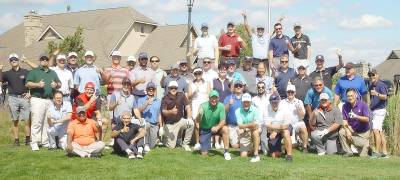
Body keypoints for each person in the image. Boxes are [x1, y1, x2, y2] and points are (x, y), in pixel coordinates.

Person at [26, 53, 61, 151]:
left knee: (47, 122)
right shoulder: (34, 71)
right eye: (42, 59)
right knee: (37, 121)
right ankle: (34, 143)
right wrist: (37, 84)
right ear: (39, 61)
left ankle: (45, 142)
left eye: (46, 59)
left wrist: (56, 85)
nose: (44, 61)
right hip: (37, 99)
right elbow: (28, 83)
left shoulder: (52, 72)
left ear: (48, 61)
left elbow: (59, 83)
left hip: (49, 100)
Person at [0, 53, 31, 146]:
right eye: (12, 60)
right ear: (10, 62)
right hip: (13, 98)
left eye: (15, 60)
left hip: (24, 98)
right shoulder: (7, 73)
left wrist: (30, 93)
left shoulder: (26, 72)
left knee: (27, 120)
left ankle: (28, 140)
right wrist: (0, 69)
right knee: (15, 120)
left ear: (18, 61)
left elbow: (32, 82)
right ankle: (16, 140)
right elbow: (0, 80)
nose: (14, 61)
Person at [195, 90, 231, 160]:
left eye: (216, 98)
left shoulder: (221, 106)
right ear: (209, 98)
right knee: (204, 154)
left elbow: (223, 121)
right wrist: (199, 115)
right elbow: (197, 121)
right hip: (205, 129)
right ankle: (203, 146)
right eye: (212, 98)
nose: (214, 100)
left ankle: (226, 152)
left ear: (218, 98)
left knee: (225, 129)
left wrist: (217, 127)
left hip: (216, 127)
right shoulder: (203, 106)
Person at [161, 81, 194, 151]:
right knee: (171, 146)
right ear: (169, 89)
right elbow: (163, 112)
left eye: (175, 88)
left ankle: (185, 144)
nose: (173, 89)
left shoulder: (181, 95)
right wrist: (171, 112)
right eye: (171, 88)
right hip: (170, 124)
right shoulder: (165, 98)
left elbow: (188, 106)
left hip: (179, 120)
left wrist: (189, 118)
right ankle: (164, 138)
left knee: (191, 123)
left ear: (177, 88)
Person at [339, 88, 370, 157]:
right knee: (342, 132)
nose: (350, 98)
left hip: (363, 133)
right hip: (352, 130)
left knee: (362, 156)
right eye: (348, 96)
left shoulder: (363, 104)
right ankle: (348, 152)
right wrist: (347, 130)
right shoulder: (345, 106)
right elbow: (344, 120)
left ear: (355, 95)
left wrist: (356, 116)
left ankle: (366, 144)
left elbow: (367, 119)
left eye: (352, 95)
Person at [264, 93, 293, 161]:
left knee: (286, 132)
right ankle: (283, 147)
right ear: (270, 102)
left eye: (276, 102)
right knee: (274, 155)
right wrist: (274, 130)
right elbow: (268, 125)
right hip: (272, 130)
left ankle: (289, 155)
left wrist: (276, 131)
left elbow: (285, 125)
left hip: (285, 128)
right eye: (272, 102)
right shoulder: (266, 109)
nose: (274, 104)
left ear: (279, 101)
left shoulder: (285, 107)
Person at [134, 82, 162, 151]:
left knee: (152, 146)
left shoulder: (158, 101)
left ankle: (149, 143)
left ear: (155, 90)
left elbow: (159, 114)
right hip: (145, 123)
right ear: (146, 90)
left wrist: (161, 126)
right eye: (149, 89)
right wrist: (146, 103)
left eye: (152, 89)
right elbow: (138, 110)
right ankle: (145, 144)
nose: (151, 90)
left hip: (155, 124)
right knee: (147, 125)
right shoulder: (141, 99)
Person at [368, 69, 389, 158]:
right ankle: (384, 152)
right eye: (370, 75)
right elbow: (370, 97)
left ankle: (377, 152)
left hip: (380, 110)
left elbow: (385, 97)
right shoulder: (371, 85)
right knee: (379, 132)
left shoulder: (381, 84)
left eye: (373, 75)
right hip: (374, 110)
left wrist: (376, 94)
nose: (372, 77)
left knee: (375, 130)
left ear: (377, 75)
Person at [188, 67, 210, 150]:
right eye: (196, 73)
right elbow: (189, 96)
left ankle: (205, 141)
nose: (198, 75)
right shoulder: (191, 83)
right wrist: (194, 92)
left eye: (199, 73)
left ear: (202, 74)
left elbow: (209, 94)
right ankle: (197, 143)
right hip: (195, 104)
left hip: (205, 104)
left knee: (205, 124)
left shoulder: (207, 83)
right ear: (194, 75)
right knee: (197, 124)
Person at [280, 84, 308, 152]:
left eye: (292, 92)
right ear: (286, 92)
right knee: (289, 145)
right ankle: (290, 145)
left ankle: (305, 147)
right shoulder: (282, 102)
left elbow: (302, 116)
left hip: (297, 123)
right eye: (288, 92)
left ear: (295, 93)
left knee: (303, 127)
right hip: (286, 124)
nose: (290, 93)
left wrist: (299, 110)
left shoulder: (299, 102)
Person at [236, 93, 262, 162]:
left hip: (253, 130)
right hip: (246, 131)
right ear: (242, 102)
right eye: (244, 102)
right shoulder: (238, 111)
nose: (246, 104)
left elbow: (256, 125)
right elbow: (240, 126)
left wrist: (245, 128)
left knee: (255, 132)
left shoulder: (256, 109)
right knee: (243, 155)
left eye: (248, 102)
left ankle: (256, 155)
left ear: (251, 102)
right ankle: (252, 149)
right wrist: (250, 125)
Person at [223, 80, 244, 148]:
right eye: (236, 86)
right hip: (232, 125)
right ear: (234, 87)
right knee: (234, 146)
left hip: (242, 126)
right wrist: (229, 104)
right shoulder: (228, 98)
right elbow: (224, 111)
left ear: (242, 87)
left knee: (243, 143)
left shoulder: (245, 98)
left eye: (240, 86)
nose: (238, 87)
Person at [252, 81, 270, 155]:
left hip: (266, 122)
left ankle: (264, 149)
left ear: (265, 88)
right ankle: (257, 149)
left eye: (262, 87)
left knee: (264, 139)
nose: (261, 88)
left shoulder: (269, 97)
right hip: (257, 122)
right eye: (259, 87)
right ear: (257, 88)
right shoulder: (253, 99)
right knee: (256, 134)